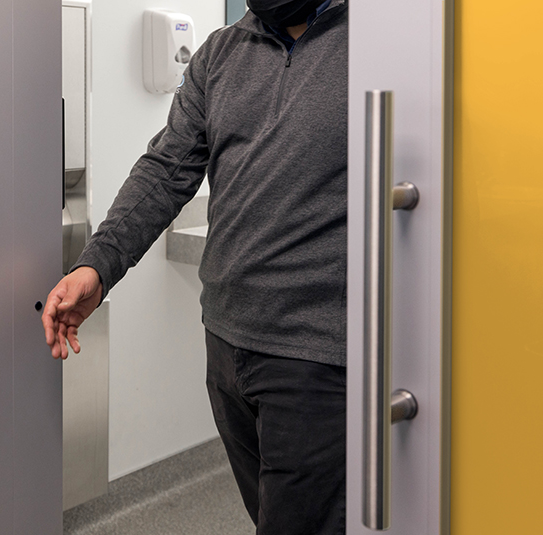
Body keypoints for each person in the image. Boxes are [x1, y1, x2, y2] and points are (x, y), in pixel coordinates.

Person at [42, 0, 348, 533]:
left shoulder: (379, 44)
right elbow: (166, 171)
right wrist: (96, 266)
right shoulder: (221, 52)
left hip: (315, 357)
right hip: (226, 346)